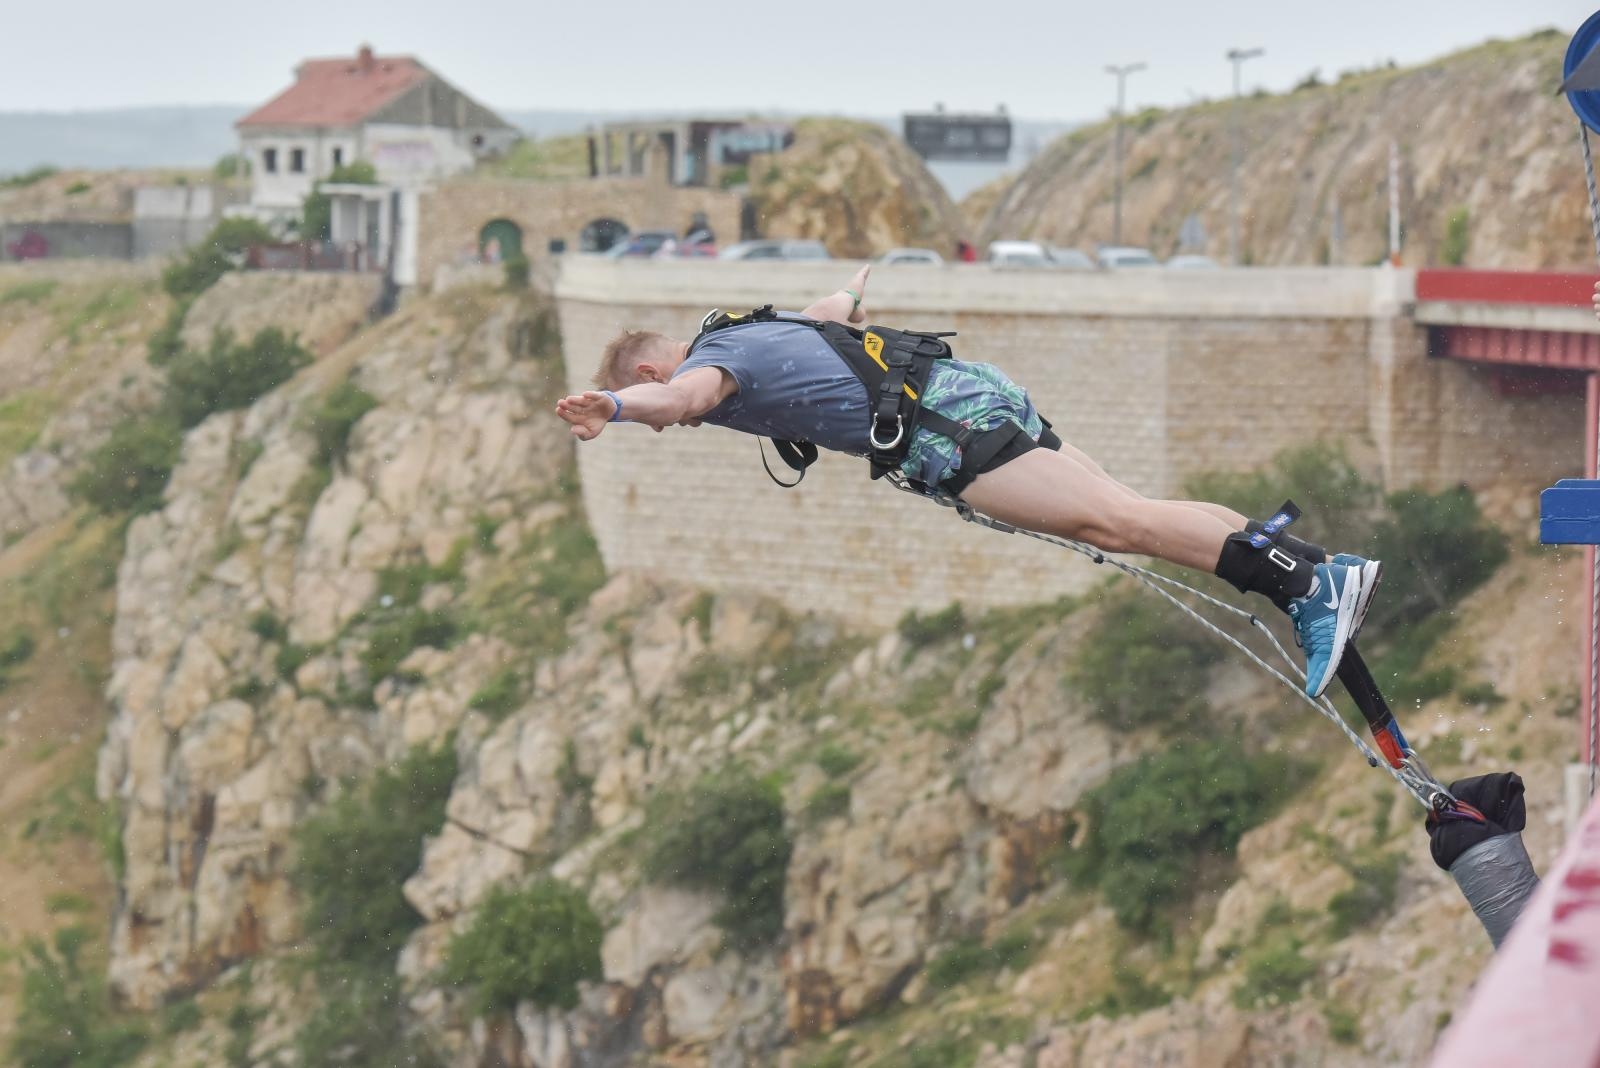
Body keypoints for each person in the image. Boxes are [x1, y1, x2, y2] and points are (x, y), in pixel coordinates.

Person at [555, 266, 1382, 697]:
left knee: (1114, 525)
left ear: (652, 368)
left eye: (653, 398)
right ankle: (1319, 565)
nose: (677, 424)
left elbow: (680, 399)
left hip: (946, 430)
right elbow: (830, 312)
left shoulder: (704, 368)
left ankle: (1306, 588)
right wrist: (853, 287)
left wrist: (617, 409)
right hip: (969, 392)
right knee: (1130, 508)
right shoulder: (751, 326)